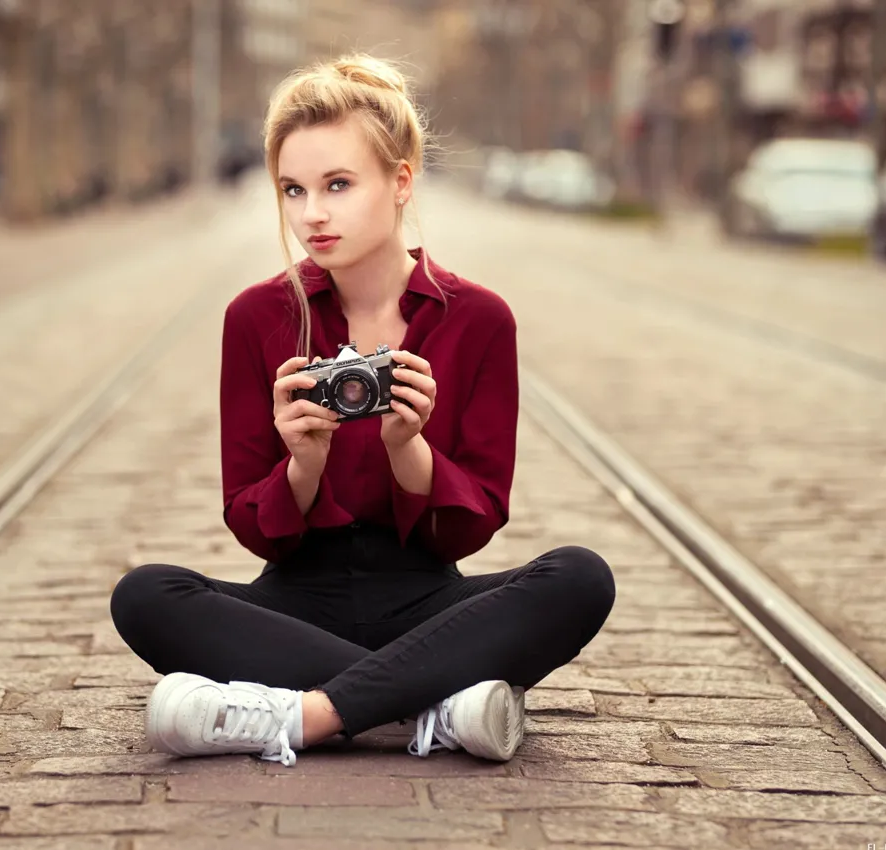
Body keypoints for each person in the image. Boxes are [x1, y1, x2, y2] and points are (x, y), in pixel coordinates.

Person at [110, 54, 616, 769]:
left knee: (580, 577)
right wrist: (303, 466)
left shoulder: (478, 320)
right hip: (294, 604)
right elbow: (253, 526)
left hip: (429, 603)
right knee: (146, 595)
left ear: (401, 180)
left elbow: (476, 523)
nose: (312, 214)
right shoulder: (257, 317)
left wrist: (411, 451)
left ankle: (303, 715)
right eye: (293, 189)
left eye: (338, 185)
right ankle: (437, 706)